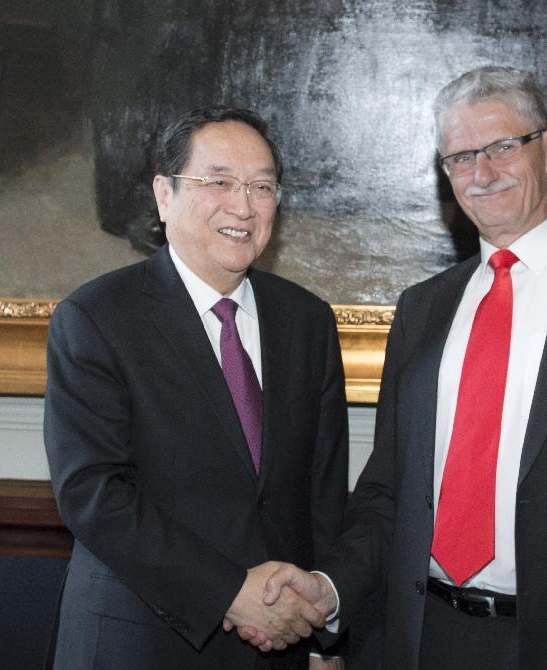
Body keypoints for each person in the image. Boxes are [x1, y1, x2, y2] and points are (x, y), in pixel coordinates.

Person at [250, 66, 547, 669]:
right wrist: (331, 589)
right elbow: (387, 492)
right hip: (426, 638)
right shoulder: (423, 309)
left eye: (504, 147)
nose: (482, 174)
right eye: (459, 157)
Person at [44, 105, 348, 669]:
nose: (242, 205)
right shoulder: (96, 317)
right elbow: (94, 493)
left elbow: (323, 494)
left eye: (262, 186)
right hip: (140, 640)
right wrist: (230, 590)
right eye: (218, 182)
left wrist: (327, 636)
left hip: (281, 644)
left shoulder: (308, 321)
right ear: (164, 195)